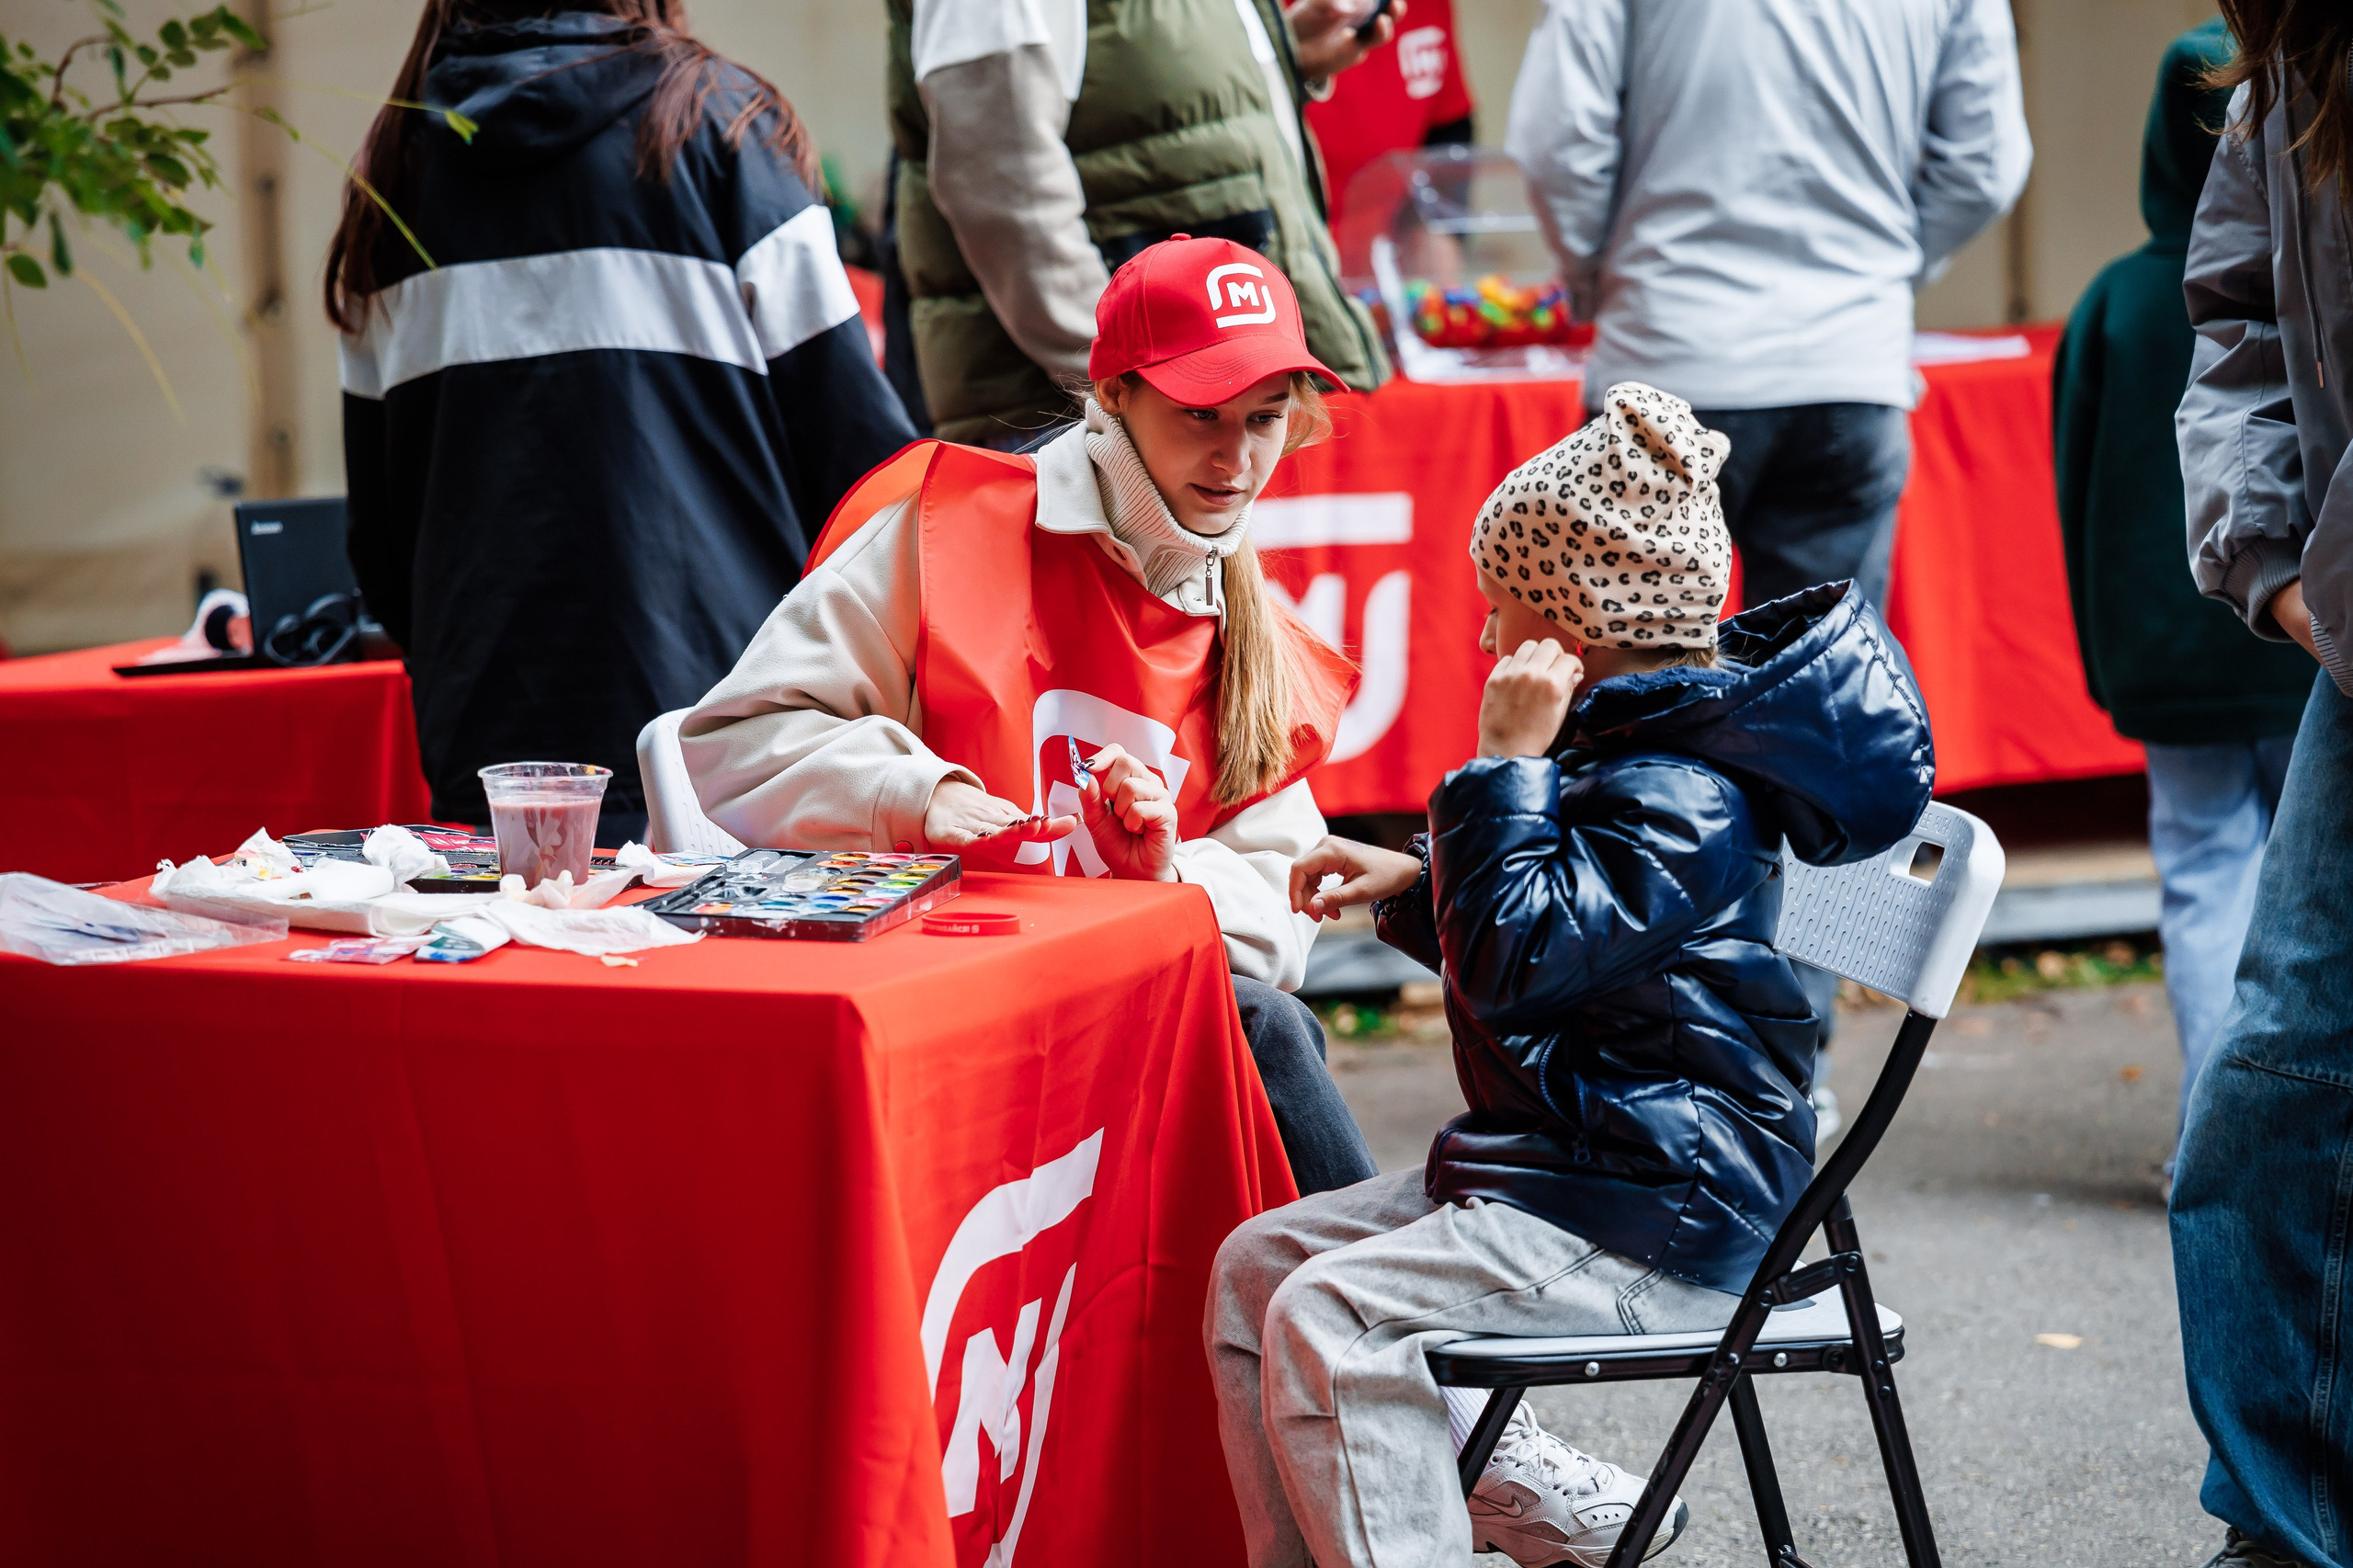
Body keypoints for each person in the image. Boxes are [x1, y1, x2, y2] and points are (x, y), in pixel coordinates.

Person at [1206, 385, 1935, 1568]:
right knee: (1258, 1267)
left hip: (1661, 1209)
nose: (1487, 643)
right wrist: (1411, 881)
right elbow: (1564, 940)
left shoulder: (1679, 792)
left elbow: (1518, 963)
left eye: (1504, 616)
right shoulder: (1639, 760)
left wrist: (1502, 763)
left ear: (1571, 639)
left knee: (1333, 1319)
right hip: (1587, 1168)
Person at [680, 236, 1377, 1196]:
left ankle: (1350, 1314)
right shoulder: (946, 525)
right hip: (925, 986)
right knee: (1263, 1032)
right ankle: (1371, 1316)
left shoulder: (1266, 637)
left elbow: (1284, 909)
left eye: (1263, 419)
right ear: (1115, 393)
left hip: (1099, 1005)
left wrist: (1170, 875)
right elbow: (736, 735)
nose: (1235, 456)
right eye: (1201, 414)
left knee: (1266, 1024)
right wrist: (920, 798)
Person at [1504, 0, 2027, 1114]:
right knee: (1815, 738)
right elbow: (1988, 160)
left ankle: (1619, 1037)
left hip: (1665, 346)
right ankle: (1786, 1068)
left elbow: (1555, 140)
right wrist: (1882, 263)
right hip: (1845, 359)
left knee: (1617, 710)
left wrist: (1601, 271)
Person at [330, 0, 915, 842]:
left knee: (528, 972)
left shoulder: (391, 174)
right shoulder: (723, 127)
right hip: (729, 743)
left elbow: (379, 551)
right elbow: (868, 481)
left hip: (493, 757)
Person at [2052, 19, 2310, 1189]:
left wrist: (2109, 653)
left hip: (2168, 657)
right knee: (2305, 885)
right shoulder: (2301, 283)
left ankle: (2215, 1138)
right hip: (2304, 640)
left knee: (2204, 871)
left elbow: (2075, 489)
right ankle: (2303, 1140)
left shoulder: (2112, 304)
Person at [2173, 3, 2353, 1565]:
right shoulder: (2279, 72)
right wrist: (2282, 576)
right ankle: (2283, 1525)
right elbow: (2232, 326)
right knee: (2277, 1078)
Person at [881, 0, 1392, 448]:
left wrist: (1278, 52)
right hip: (1092, 421)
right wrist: (1129, 386)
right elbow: (999, 180)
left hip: (1192, 401)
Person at [1302, 0, 1475, 223]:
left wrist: (1440, 231)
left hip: (1383, 242)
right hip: (1288, 239)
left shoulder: (1427, 7)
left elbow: (1448, 126)